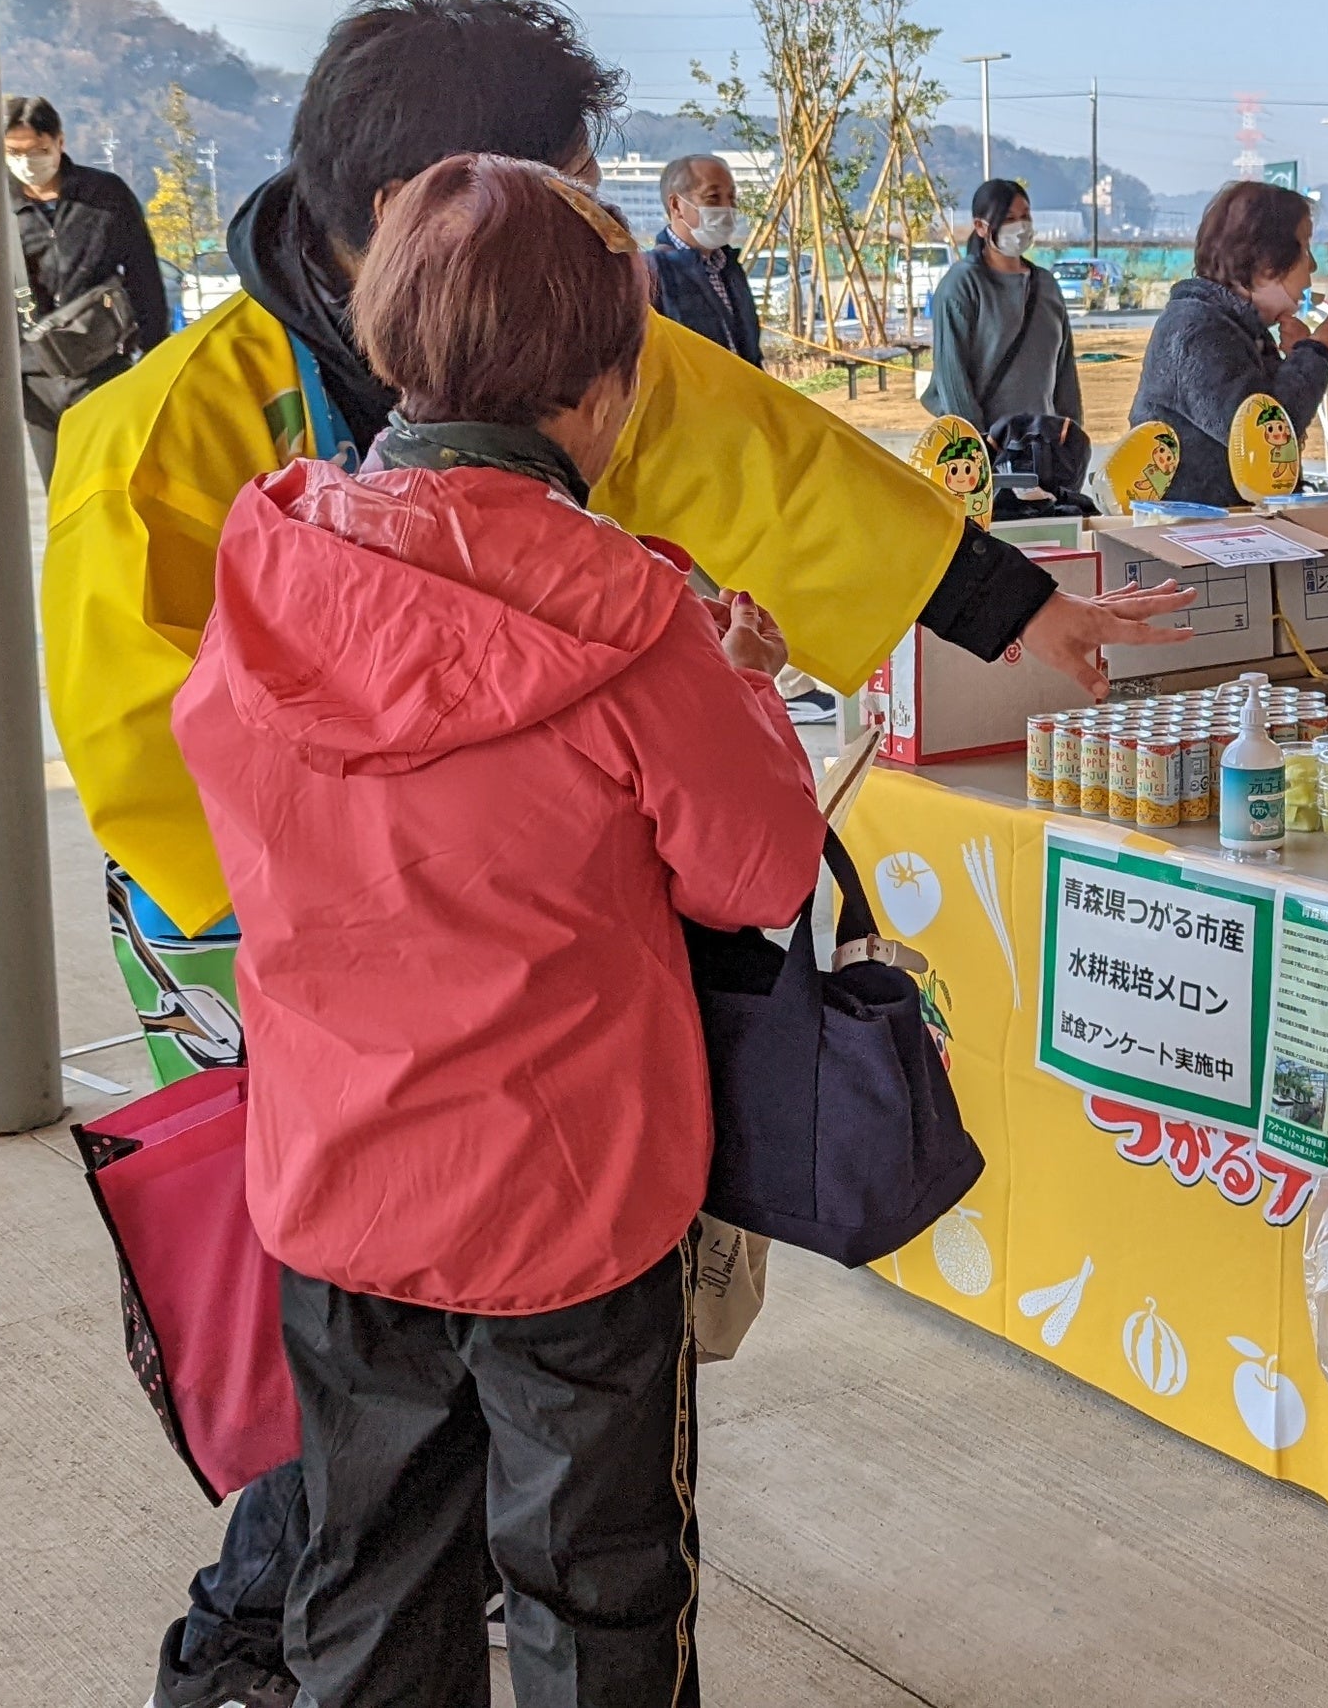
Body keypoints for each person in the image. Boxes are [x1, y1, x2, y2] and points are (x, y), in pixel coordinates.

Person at [46, 0, 1189, 1708]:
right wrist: (670, 731)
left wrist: (1013, 604)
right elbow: (745, 857)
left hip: (347, 1118)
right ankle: (233, 1641)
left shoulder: (302, 508)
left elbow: (777, 466)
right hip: (516, 1138)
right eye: (575, 193)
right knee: (571, 1550)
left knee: (372, 1489)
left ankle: (295, 1641)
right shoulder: (181, 440)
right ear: (423, 208)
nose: (607, 231)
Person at [175, 152, 822, 1705]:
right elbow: (757, 869)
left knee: (369, 1574)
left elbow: (239, 805)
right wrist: (741, 688)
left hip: (340, 1175)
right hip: (572, 1195)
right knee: (595, 1590)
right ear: (597, 395)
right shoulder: (635, 617)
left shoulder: (269, 566)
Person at [1131, 179, 1328, 506]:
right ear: (1266, 264)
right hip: (1197, 527)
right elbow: (1265, 438)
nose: (1312, 265)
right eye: (1304, 247)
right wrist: (1315, 352)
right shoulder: (1198, 331)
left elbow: (1270, 410)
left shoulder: (1235, 326)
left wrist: (1298, 355)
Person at [8, 94, 170, 478]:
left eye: (38, 150)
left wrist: (155, 354)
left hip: (102, 363)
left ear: (59, 142)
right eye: (14, 152)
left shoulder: (105, 195)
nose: (27, 162)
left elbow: (143, 273)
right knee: (59, 485)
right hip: (33, 374)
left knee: (109, 480)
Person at [925, 179, 1084, 434]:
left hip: (1042, 443)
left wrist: (1070, 434)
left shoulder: (1046, 285)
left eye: (1025, 216)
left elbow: (1065, 373)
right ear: (980, 227)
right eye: (1008, 219)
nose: (1020, 226)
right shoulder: (962, 285)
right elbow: (952, 376)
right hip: (988, 444)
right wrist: (978, 443)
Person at [642, 149, 761, 367]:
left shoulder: (730, 267)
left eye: (731, 198)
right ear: (677, 206)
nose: (727, 208)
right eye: (713, 198)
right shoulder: (652, 273)